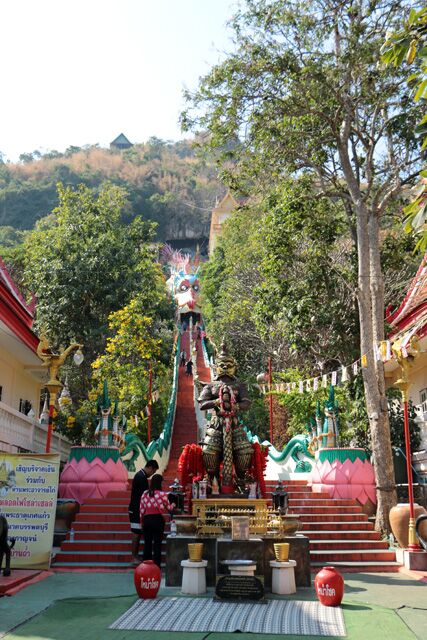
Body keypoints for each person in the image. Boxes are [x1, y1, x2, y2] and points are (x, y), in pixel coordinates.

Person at [128, 459, 159, 565]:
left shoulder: (140, 475)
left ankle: (135, 555)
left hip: (136, 509)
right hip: (136, 509)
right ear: (150, 467)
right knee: (136, 533)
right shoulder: (141, 477)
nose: (152, 474)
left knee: (137, 532)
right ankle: (133, 557)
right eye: (153, 472)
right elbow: (145, 495)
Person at [140, 474, 174, 568]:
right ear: (160, 483)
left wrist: (141, 521)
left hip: (147, 520)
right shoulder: (162, 494)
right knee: (157, 545)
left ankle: (146, 567)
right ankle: (156, 567)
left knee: (147, 544)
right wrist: (173, 505)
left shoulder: (145, 493)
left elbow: (142, 509)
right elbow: (169, 508)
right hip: (158, 520)